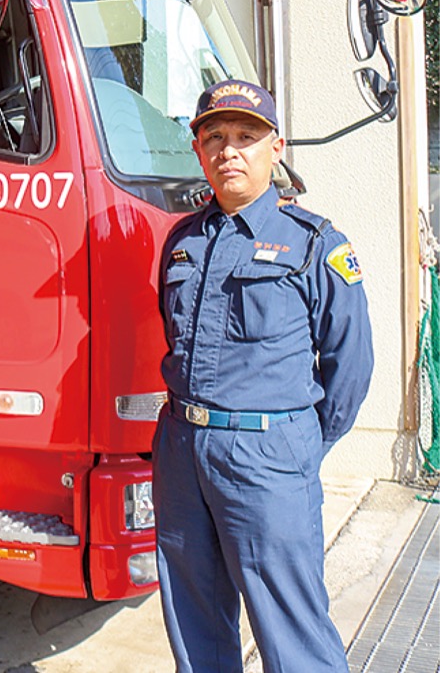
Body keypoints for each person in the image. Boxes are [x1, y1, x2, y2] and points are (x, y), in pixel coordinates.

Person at [153, 79, 374, 672]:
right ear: (198, 150)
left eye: (246, 137)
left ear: (275, 148)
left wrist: (296, 442)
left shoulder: (314, 244)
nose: (230, 150)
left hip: (267, 454)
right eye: (215, 137)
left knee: (290, 624)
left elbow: (350, 366)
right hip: (182, 449)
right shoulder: (182, 241)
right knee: (192, 616)